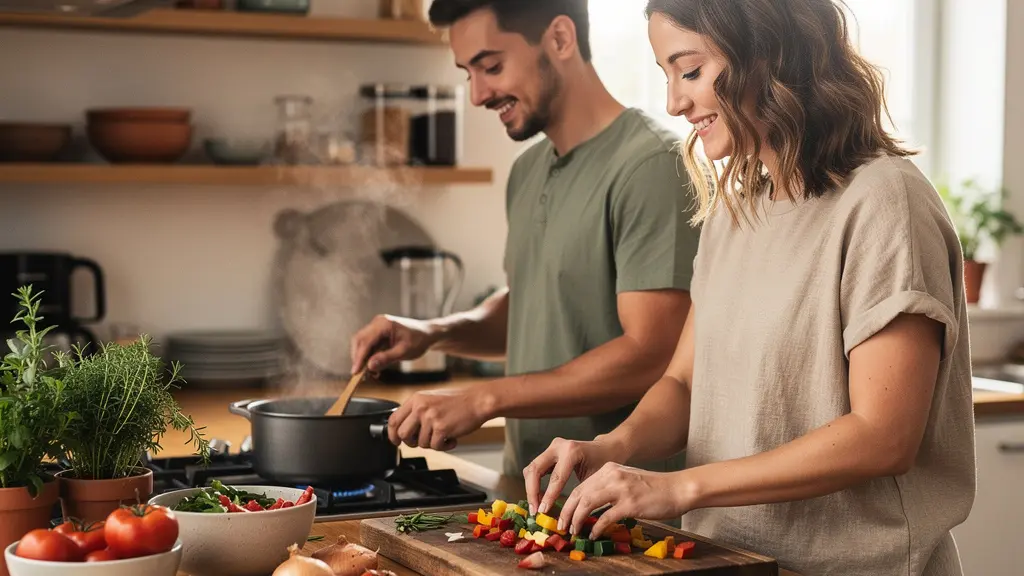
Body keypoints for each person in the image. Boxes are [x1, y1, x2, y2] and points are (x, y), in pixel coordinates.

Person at [523, 1, 977, 574]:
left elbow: (883, 436)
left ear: (769, 52)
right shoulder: (733, 214)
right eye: (667, 75)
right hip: (727, 561)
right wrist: (611, 447)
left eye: (690, 71)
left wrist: (679, 487)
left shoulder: (885, 202)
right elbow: (685, 383)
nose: (674, 102)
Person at [349, 0, 699, 492]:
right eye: (468, 73)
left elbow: (651, 354)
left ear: (560, 39)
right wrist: (430, 333)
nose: (477, 95)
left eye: (491, 67)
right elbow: (532, 309)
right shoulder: (528, 170)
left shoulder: (651, 165)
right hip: (527, 490)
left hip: (617, 504)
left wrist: (483, 398)